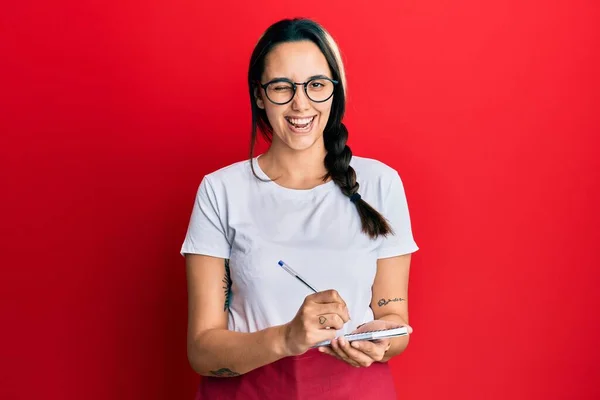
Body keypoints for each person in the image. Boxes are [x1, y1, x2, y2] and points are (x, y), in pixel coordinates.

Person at [180, 17, 419, 399]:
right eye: (281, 87)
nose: (301, 103)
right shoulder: (219, 190)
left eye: (316, 85)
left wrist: (380, 341)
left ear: (334, 92)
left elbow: (396, 321)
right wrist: (288, 337)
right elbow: (202, 350)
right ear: (259, 95)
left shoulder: (381, 184)